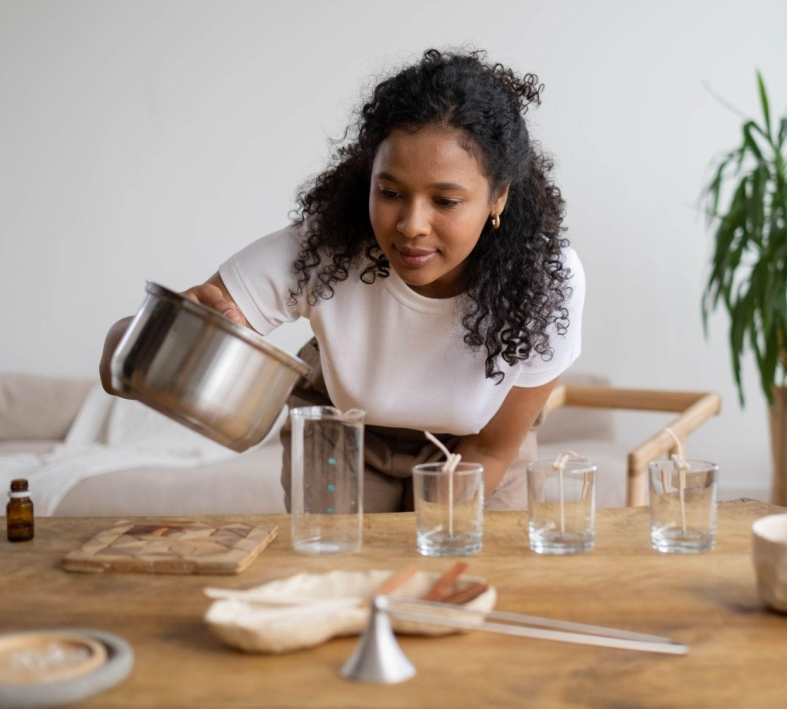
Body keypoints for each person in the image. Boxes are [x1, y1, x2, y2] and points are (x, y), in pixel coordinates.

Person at [99, 48, 584, 512]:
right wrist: (165, 332)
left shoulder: (545, 281)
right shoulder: (323, 250)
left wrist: (428, 541)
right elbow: (119, 367)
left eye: (446, 201)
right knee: (340, 576)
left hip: (475, 449)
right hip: (343, 431)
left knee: (451, 577)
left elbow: (492, 449)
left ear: (498, 197)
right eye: (390, 191)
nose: (412, 224)